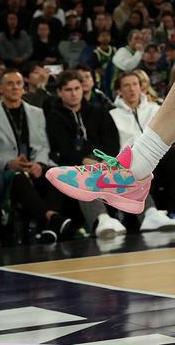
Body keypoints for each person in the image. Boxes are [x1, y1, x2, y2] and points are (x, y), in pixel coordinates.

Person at [0, 69, 76, 243]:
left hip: (35, 164)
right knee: (18, 178)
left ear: (23, 88)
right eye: (10, 84)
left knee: (55, 174)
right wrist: (9, 163)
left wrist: (38, 163)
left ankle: (49, 228)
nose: (15, 87)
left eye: (18, 84)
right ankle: (52, 219)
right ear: (1, 89)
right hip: (11, 170)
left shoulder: (37, 113)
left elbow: (43, 145)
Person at [44, 70, 125, 239]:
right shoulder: (54, 116)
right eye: (68, 90)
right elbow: (62, 149)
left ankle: (149, 213)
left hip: (103, 162)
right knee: (85, 173)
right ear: (59, 92)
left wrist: (102, 160)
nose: (74, 94)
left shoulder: (99, 111)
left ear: (83, 89)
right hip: (74, 165)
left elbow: (112, 142)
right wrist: (84, 159)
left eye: (77, 88)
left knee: (129, 167)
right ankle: (101, 220)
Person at [107, 73, 175, 230]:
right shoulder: (112, 115)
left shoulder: (155, 109)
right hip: (131, 159)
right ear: (119, 90)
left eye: (135, 84)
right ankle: (149, 214)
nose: (132, 89)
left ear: (141, 87)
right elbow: (114, 147)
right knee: (134, 167)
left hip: (157, 153)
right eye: (126, 85)